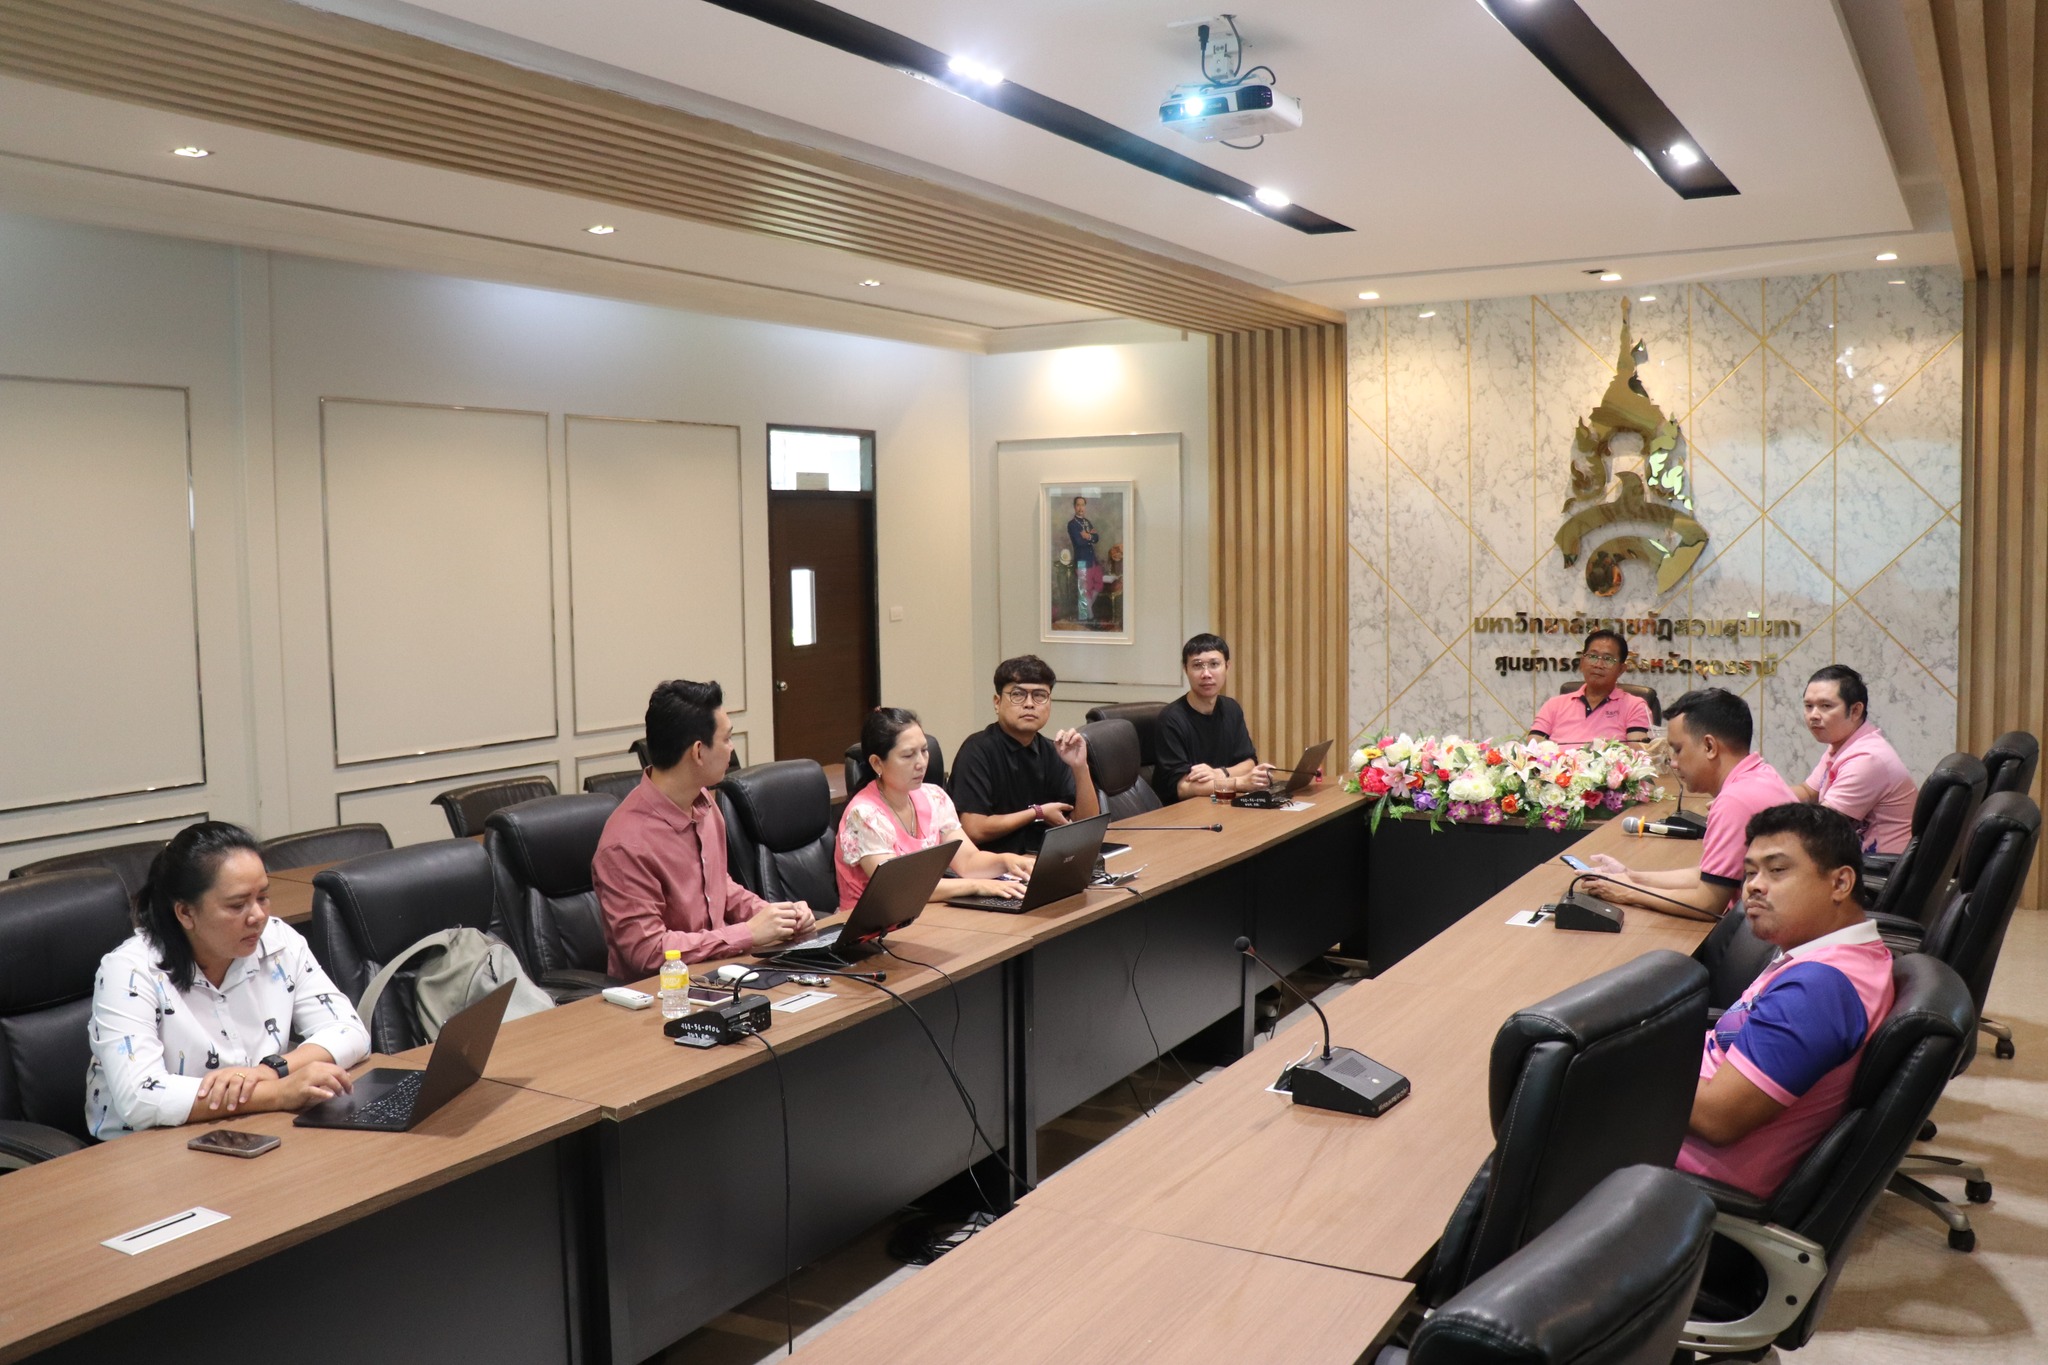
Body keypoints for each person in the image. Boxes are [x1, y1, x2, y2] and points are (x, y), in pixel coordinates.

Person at [85, 821, 369, 1139]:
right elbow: (140, 1098)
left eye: (263, 897)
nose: (258, 916)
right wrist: (277, 1093)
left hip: (250, 1127)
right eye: (237, 905)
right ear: (185, 913)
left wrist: (271, 1069)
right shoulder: (130, 971)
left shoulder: (278, 941)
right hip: (148, 1146)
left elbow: (351, 1031)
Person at [1678, 802, 1895, 1197]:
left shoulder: (1816, 990)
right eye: (1750, 873)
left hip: (1678, 1171)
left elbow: (1717, 1120)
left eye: (1777, 870)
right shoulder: (1825, 955)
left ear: (1840, 883)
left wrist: (1627, 1069)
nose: (1754, 886)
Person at [594, 679, 815, 973]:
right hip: (661, 992)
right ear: (698, 752)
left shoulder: (704, 803)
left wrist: (777, 917)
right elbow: (646, 951)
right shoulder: (626, 843)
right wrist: (747, 934)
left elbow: (719, 887)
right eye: (727, 739)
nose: (732, 749)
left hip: (719, 973)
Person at [1582, 688, 1796, 920]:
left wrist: (1626, 892)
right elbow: (1710, 875)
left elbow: (1708, 903)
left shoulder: (1736, 800)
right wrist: (1630, 876)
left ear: (1709, 747)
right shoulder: (1759, 773)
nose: (1673, 763)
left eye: (1678, 750)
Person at [837, 707, 1034, 907]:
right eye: (908, 755)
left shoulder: (934, 796)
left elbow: (968, 861)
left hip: (924, 912)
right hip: (874, 921)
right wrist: (976, 885)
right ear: (877, 763)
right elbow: (900, 889)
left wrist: (1007, 861)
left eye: (924, 751)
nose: (921, 763)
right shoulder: (863, 815)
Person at [950, 655, 1099, 856]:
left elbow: (1086, 825)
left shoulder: (1054, 751)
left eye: (1039, 695)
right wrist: (1037, 813)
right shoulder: (977, 750)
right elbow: (974, 829)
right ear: (997, 703)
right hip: (993, 865)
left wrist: (1080, 767)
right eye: (1018, 695)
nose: (1029, 704)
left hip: (1044, 859)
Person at [1791, 664, 1916, 856]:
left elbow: (1822, 826)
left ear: (1856, 710)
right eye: (1809, 706)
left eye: (1825, 706)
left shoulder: (1867, 759)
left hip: (1880, 867)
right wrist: (1762, 797)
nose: (1813, 715)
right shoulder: (1842, 746)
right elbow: (1808, 792)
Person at [1154, 633, 1272, 803]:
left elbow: (1249, 762)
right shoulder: (1171, 719)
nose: (1206, 674)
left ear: (1227, 667)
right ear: (1185, 669)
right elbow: (1182, 788)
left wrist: (1220, 773)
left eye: (1214, 664)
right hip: (1184, 810)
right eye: (1197, 666)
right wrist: (1239, 783)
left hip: (1220, 802)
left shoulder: (1231, 709)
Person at [1528, 629, 1654, 743]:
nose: (1598, 664)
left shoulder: (1635, 707)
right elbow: (1532, 748)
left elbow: (1639, 752)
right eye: (1593, 656)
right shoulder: (1554, 705)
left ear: (1621, 669)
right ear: (1582, 662)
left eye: (1608, 659)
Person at [1067, 496, 1101, 622]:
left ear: (1085, 507)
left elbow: (1096, 538)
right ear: (1074, 507)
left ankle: (1087, 611)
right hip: (1081, 560)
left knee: (1098, 584)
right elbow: (1079, 542)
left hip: (1091, 559)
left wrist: (1088, 536)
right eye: (1078, 505)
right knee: (1083, 589)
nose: (1081, 508)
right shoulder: (1072, 524)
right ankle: (1086, 618)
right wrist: (1090, 537)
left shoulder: (1087, 522)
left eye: (1083, 505)